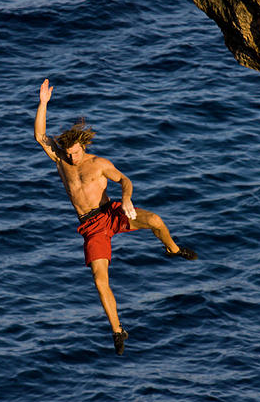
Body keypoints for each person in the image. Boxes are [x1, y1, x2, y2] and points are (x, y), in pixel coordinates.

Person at [34, 78, 197, 355]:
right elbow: (40, 137)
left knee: (155, 220)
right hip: (91, 227)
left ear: (83, 148)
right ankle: (118, 330)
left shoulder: (99, 164)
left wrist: (127, 199)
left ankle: (173, 249)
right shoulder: (61, 162)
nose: (73, 158)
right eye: (69, 154)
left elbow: (125, 180)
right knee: (100, 281)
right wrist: (43, 103)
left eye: (75, 154)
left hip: (112, 213)